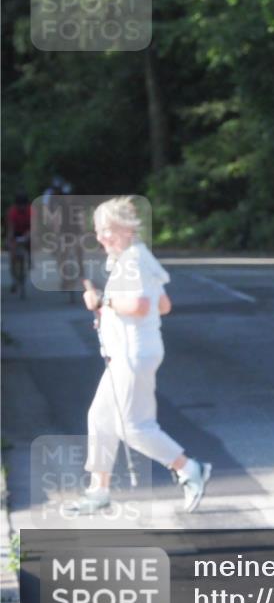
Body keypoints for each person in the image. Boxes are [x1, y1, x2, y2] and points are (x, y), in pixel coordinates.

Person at [67, 196, 212, 514]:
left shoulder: (132, 261)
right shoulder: (137, 258)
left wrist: (101, 301)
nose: (101, 236)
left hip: (133, 355)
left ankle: (190, 469)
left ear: (126, 229)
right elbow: (164, 305)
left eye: (107, 230)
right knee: (100, 418)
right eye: (98, 230)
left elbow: (142, 306)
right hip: (132, 353)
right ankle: (99, 489)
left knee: (133, 427)